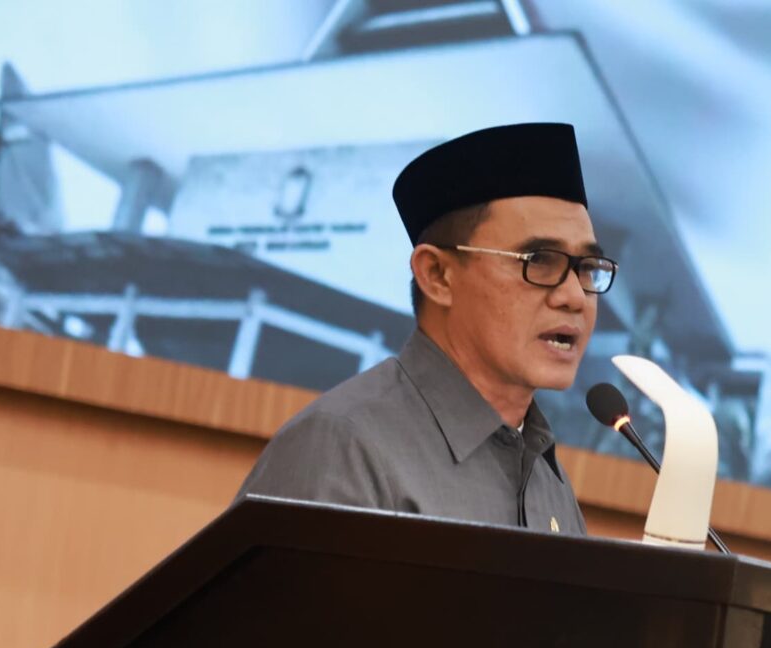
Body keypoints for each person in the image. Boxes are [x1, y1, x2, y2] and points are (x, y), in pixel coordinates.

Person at [239, 122, 613, 533]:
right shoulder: (344, 446)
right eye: (539, 261)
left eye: (587, 268)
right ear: (437, 275)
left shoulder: (548, 479)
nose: (575, 297)